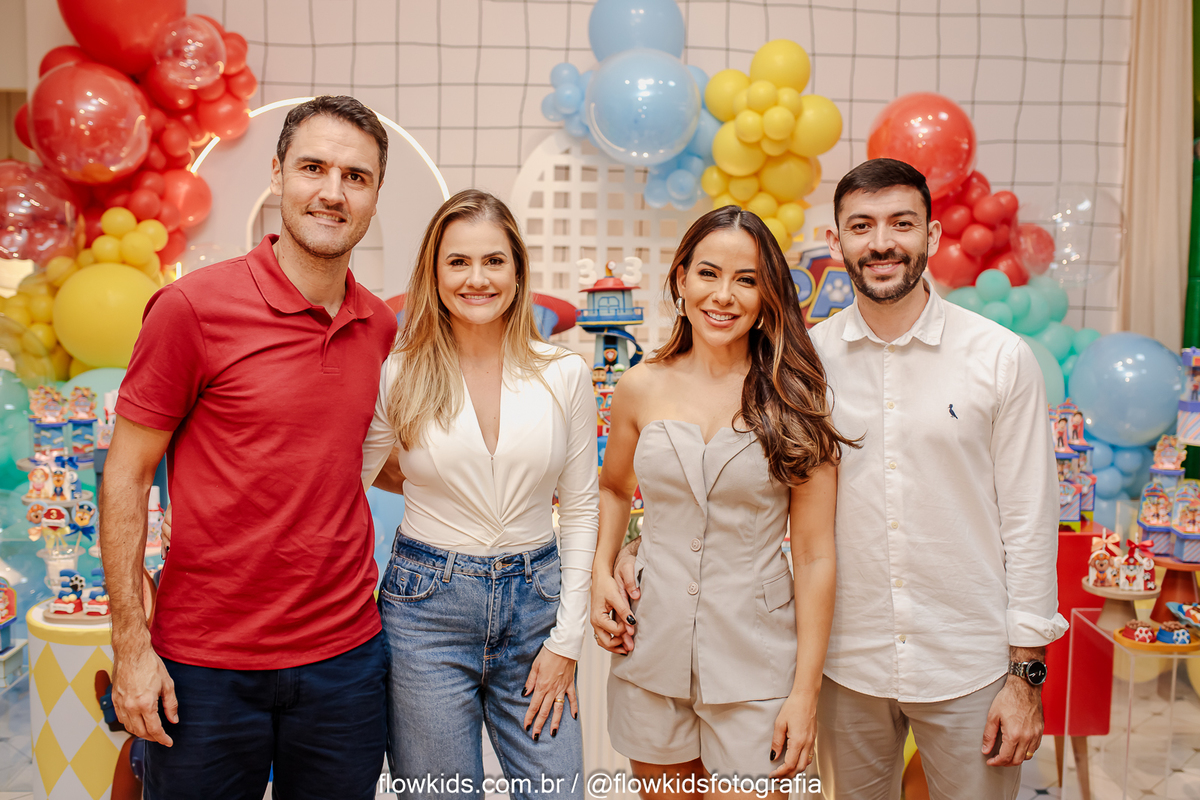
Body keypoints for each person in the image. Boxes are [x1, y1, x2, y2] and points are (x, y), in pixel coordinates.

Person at [101, 95, 395, 800]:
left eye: (355, 176)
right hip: (205, 664)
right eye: (313, 168)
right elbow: (125, 476)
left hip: (345, 660)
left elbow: (361, 458)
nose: (333, 192)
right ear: (277, 174)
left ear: (375, 194)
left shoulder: (378, 326)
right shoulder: (191, 310)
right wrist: (131, 644)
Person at [809, 158, 1067, 799]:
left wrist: (1025, 679)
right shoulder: (807, 361)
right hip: (845, 663)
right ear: (836, 240)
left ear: (933, 235)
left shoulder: (1000, 357)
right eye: (861, 226)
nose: (882, 242)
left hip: (970, 664)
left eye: (902, 223)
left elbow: (1030, 523)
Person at [591, 206, 853, 794]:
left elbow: (815, 555)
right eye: (708, 273)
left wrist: (805, 693)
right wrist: (602, 568)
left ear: (767, 296)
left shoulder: (797, 397)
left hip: (756, 662)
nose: (724, 296)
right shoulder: (640, 385)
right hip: (649, 647)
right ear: (682, 279)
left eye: (747, 279)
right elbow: (613, 487)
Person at [360, 189, 597, 799]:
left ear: (517, 270)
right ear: (434, 274)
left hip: (538, 608)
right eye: (458, 262)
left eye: (494, 261)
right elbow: (345, 482)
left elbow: (580, 509)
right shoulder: (400, 372)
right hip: (425, 613)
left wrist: (567, 642)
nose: (477, 279)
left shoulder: (563, 374)